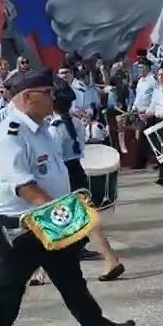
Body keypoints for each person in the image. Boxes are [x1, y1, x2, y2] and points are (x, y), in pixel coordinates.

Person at [0, 69, 135, 326]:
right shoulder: (10, 132)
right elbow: (22, 184)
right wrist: (60, 210)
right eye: (47, 93)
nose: (53, 97)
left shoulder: (39, 128)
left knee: (71, 278)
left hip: (48, 220)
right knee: (10, 287)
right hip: (21, 223)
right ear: (28, 97)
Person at [47, 82, 127, 282]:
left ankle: (111, 259)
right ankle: (111, 259)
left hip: (62, 174)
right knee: (84, 222)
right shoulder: (76, 123)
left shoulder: (54, 128)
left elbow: (53, 156)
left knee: (53, 219)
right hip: (77, 171)